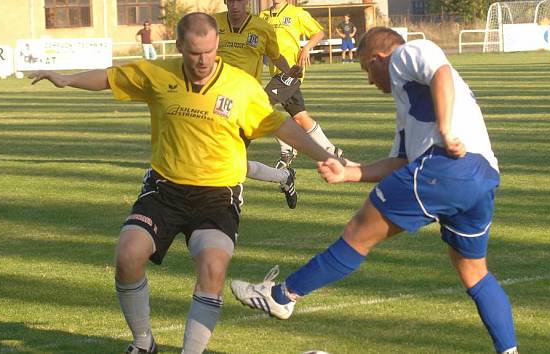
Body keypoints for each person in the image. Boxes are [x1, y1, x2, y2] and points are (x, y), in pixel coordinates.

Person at [28, 13, 339, 354]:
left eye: (208, 51)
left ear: (217, 44)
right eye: (194, 53)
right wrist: (65, 79)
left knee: (212, 266)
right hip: (164, 189)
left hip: (218, 195)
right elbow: (109, 77)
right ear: (179, 47)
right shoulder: (157, 74)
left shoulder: (241, 87)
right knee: (127, 255)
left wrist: (322, 154)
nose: (203, 60)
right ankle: (144, 343)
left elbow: (281, 126)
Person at [231, 27, 519, 354]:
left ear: (378, 59)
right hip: (482, 177)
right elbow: (401, 162)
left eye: (366, 69)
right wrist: (349, 173)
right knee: (475, 273)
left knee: (358, 234)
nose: (370, 80)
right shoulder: (409, 107)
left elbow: (439, 71)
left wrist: (445, 128)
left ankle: (280, 296)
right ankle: (509, 351)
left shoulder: (405, 54)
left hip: (445, 166)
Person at [215, 0, 304, 209]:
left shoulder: (262, 28)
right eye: (231, 1)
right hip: (216, 101)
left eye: (240, 1)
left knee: (231, 157)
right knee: (227, 161)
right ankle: (284, 176)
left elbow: (275, 56)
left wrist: (289, 71)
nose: (235, 6)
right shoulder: (213, 23)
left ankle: (234, 199)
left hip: (246, 105)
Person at [260, 0, 343, 169]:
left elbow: (319, 33)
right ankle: (330, 149)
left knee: (262, 105)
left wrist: (306, 49)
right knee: (299, 116)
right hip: (276, 72)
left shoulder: (296, 13)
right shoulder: (263, 16)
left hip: (293, 70)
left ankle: (287, 148)